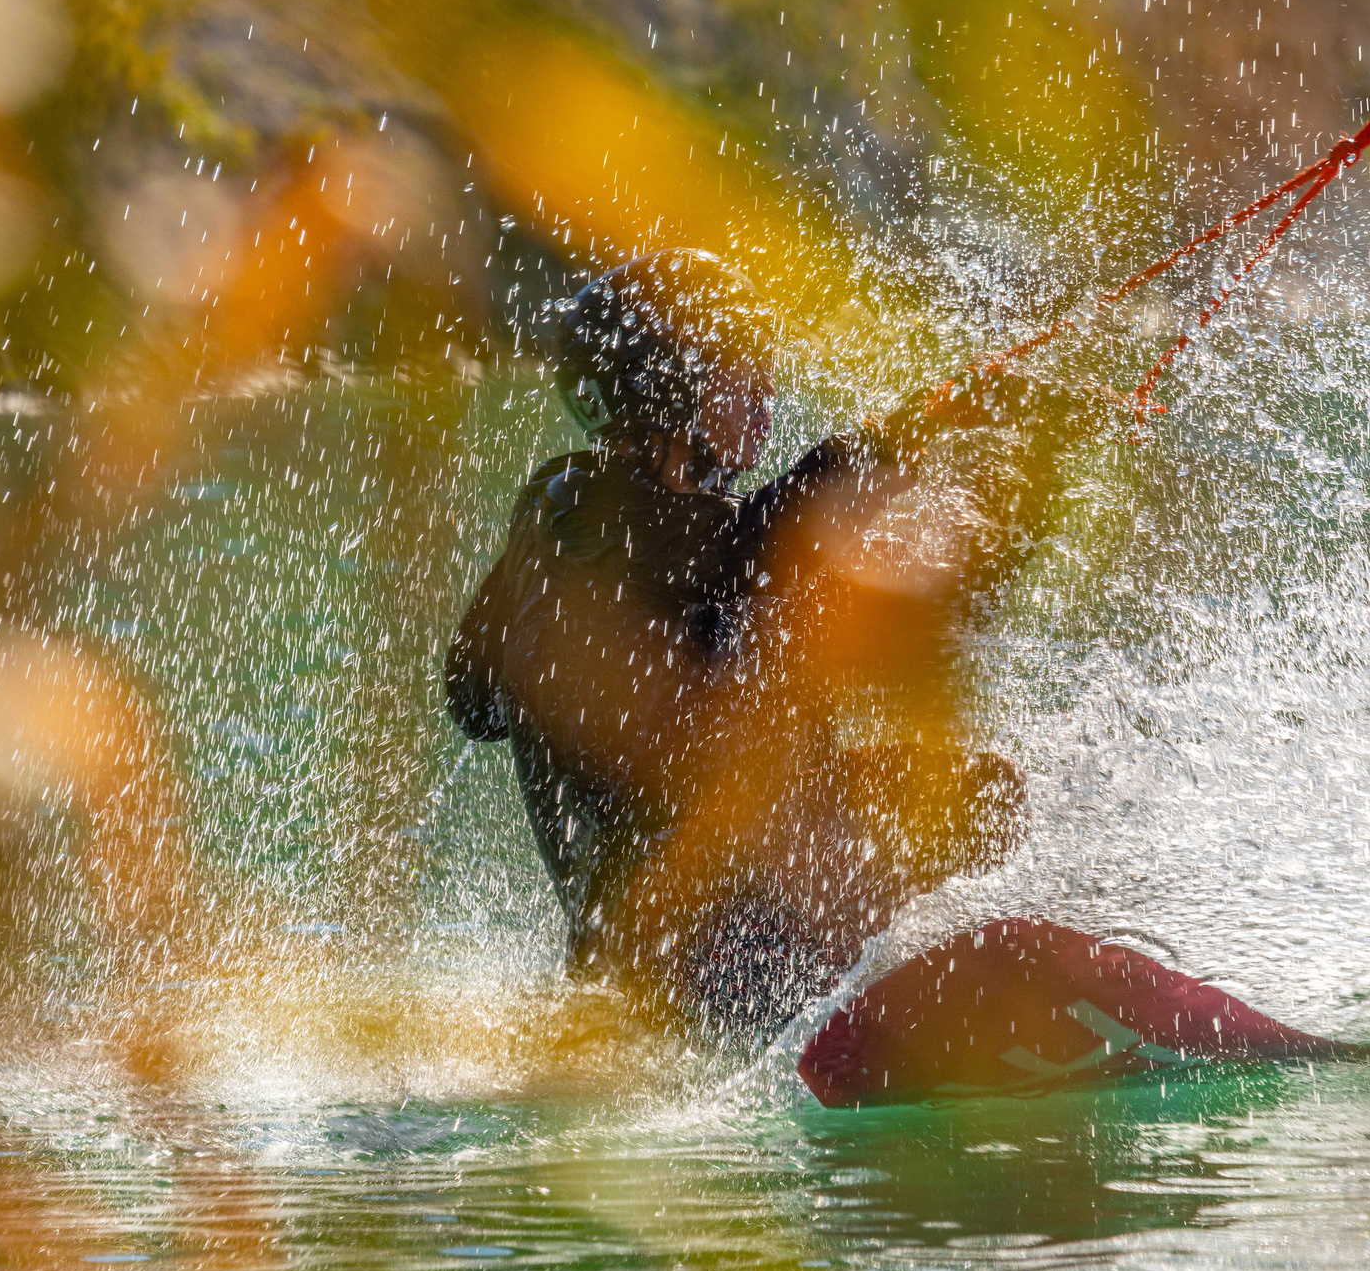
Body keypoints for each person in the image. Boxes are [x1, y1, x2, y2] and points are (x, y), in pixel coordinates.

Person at [445, 251, 1098, 1037]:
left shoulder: (574, 523)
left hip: (687, 940)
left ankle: (894, 977)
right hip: (709, 951)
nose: (764, 388)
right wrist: (896, 439)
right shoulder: (581, 507)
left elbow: (471, 698)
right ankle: (927, 1006)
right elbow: (751, 545)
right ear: (671, 383)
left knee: (977, 795)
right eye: (739, 366)